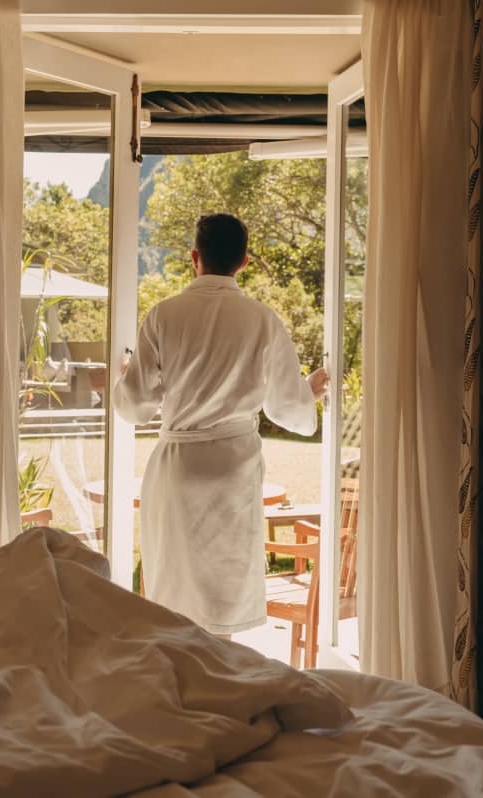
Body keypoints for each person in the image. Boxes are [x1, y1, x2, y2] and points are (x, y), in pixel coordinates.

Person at [113, 213, 329, 638]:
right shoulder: (262, 319)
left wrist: (124, 379)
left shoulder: (163, 316)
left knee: (172, 598)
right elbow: (286, 408)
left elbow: (137, 405)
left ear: (195, 257)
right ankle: (220, 688)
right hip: (232, 470)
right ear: (244, 261)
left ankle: (175, 690)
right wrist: (309, 393)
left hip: (176, 469)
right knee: (220, 598)